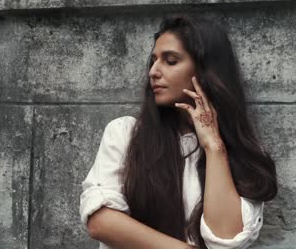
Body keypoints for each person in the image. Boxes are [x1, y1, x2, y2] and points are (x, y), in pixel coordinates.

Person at [79, 15, 278, 249]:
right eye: (153, 61)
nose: (153, 71)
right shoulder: (125, 133)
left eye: (170, 61)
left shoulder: (242, 154)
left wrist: (213, 146)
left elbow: (226, 240)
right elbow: (101, 222)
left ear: (206, 71)